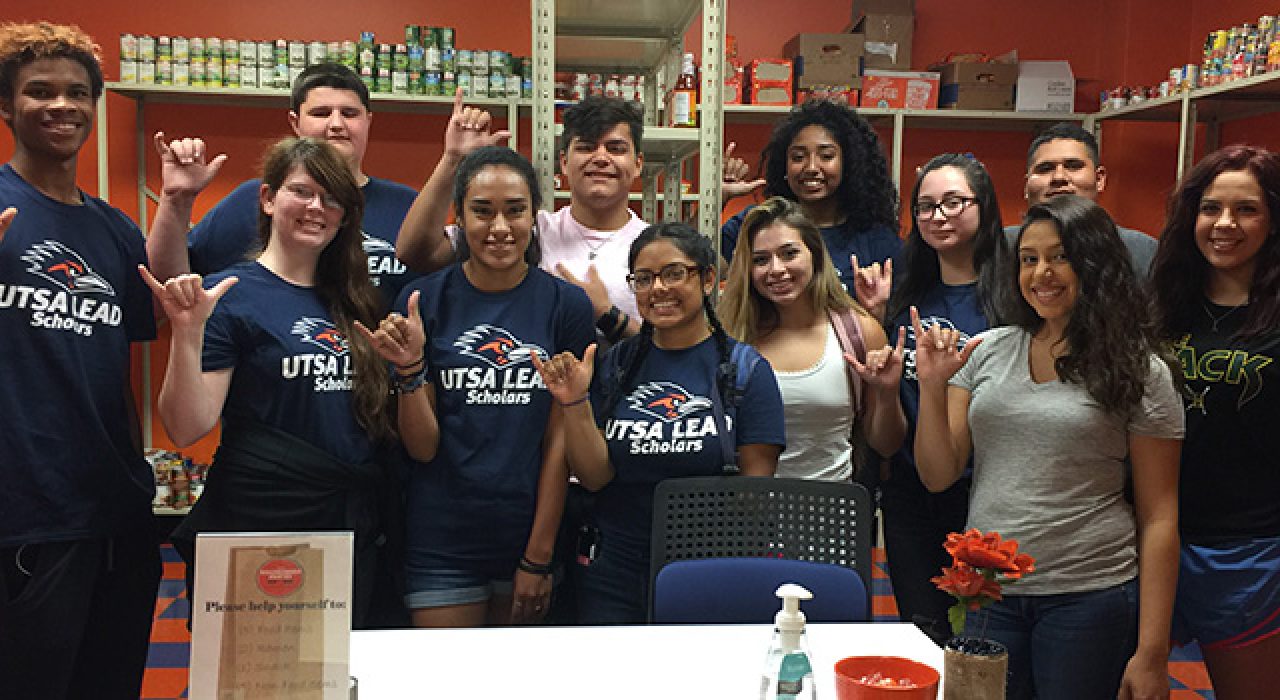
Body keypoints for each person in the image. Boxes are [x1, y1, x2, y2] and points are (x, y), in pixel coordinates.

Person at [0, 20, 216, 698]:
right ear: (7, 107)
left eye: (76, 93)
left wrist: (177, 202)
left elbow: (161, 306)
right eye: (39, 92)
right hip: (26, 513)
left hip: (117, 512)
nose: (60, 105)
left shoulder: (111, 227)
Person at [913, 195, 1182, 699]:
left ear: (1095, 264)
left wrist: (1152, 652)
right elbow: (938, 473)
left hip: (1088, 593)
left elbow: (1160, 516)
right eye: (1029, 259)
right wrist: (931, 387)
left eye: (1060, 257)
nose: (1042, 273)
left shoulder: (1140, 371)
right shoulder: (987, 350)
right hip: (987, 590)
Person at [143, 137, 396, 628]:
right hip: (257, 521)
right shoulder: (233, 295)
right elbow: (187, 426)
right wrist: (187, 332)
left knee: (337, 676)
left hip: (345, 523)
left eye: (331, 199)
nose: (316, 208)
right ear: (267, 198)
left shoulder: (359, 301)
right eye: (301, 192)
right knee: (254, 676)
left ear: (344, 216)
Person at [533, 222, 787, 624]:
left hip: (707, 567)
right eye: (645, 279)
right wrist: (575, 402)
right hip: (613, 566)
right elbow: (595, 477)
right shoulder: (614, 364)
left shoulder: (746, 371)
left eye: (674, 274)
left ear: (706, 280)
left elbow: (752, 498)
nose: (659, 289)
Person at [388, 146, 594, 627]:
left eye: (515, 211)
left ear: (534, 217)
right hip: (440, 538)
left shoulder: (565, 305)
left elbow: (559, 440)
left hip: (529, 533)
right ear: (457, 217)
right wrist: (409, 367)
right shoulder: (424, 301)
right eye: (482, 211)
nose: (499, 227)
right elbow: (421, 448)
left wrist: (538, 556)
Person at [1149, 144, 1280, 698]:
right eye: (1210, 208)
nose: (1225, 224)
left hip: (1250, 553)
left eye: (1246, 209)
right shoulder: (1160, 303)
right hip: (1152, 541)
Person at [876, 153, 1014, 645]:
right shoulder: (907, 294)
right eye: (926, 206)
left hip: (987, 494)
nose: (938, 216)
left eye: (954, 202)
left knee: (983, 638)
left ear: (985, 207)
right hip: (912, 493)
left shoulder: (1015, 296)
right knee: (925, 631)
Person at [397, 93, 647, 344]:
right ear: (564, 162)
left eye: (616, 149)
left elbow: (674, 349)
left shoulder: (655, 247)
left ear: (637, 164)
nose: (601, 158)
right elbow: (414, 252)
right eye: (586, 147)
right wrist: (452, 159)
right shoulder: (524, 228)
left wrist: (609, 316)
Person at [184, 62, 436, 309]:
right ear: (295, 123)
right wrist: (175, 200)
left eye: (349, 114)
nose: (336, 125)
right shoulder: (254, 199)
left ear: (368, 121)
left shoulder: (410, 206)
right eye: (321, 113)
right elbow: (176, 275)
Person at [719, 195, 906, 483]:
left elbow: (885, 444)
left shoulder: (859, 332)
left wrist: (887, 393)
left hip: (831, 516)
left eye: (789, 253)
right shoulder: (730, 337)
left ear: (815, 255)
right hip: (746, 517)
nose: (776, 269)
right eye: (760, 260)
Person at [720, 100, 901, 291]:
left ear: (849, 164)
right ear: (784, 166)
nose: (811, 167)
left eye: (826, 156)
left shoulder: (876, 239)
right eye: (798, 157)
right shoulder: (758, 223)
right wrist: (718, 199)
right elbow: (696, 265)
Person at [1007, 121, 1157, 277]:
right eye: (1045, 168)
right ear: (1026, 186)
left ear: (1099, 179)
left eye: (1073, 166)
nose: (1059, 177)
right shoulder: (1000, 250)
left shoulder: (1141, 252)